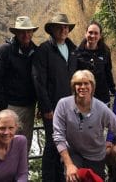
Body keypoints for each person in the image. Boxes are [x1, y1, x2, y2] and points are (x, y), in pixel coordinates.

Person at [52, 70, 116, 181]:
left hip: (95, 155)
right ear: (73, 86)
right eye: (78, 83)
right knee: (73, 177)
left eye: (86, 83)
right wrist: (68, 164)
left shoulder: (101, 108)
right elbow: (58, 136)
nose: (82, 87)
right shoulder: (63, 104)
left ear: (92, 86)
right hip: (73, 152)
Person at [32, 13, 77, 182]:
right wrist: (46, 108)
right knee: (52, 145)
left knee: (65, 145)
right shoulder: (44, 50)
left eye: (66, 27)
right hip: (52, 108)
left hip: (71, 107)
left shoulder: (72, 49)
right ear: (52, 29)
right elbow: (38, 80)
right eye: (59, 26)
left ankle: (61, 177)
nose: (63, 29)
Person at [0, 16, 38, 152]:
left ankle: (22, 172)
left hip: (29, 106)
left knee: (24, 145)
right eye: (22, 32)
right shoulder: (5, 51)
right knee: (7, 143)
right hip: (11, 106)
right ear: (15, 33)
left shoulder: (35, 51)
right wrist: (3, 107)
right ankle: (4, 173)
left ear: (32, 32)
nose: (25, 35)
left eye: (28, 31)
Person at [75, 20, 115, 104]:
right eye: (90, 32)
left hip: (102, 97)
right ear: (85, 34)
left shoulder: (105, 51)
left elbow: (108, 71)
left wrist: (113, 89)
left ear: (100, 36)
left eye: (96, 33)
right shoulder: (77, 53)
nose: (93, 35)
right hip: (84, 98)